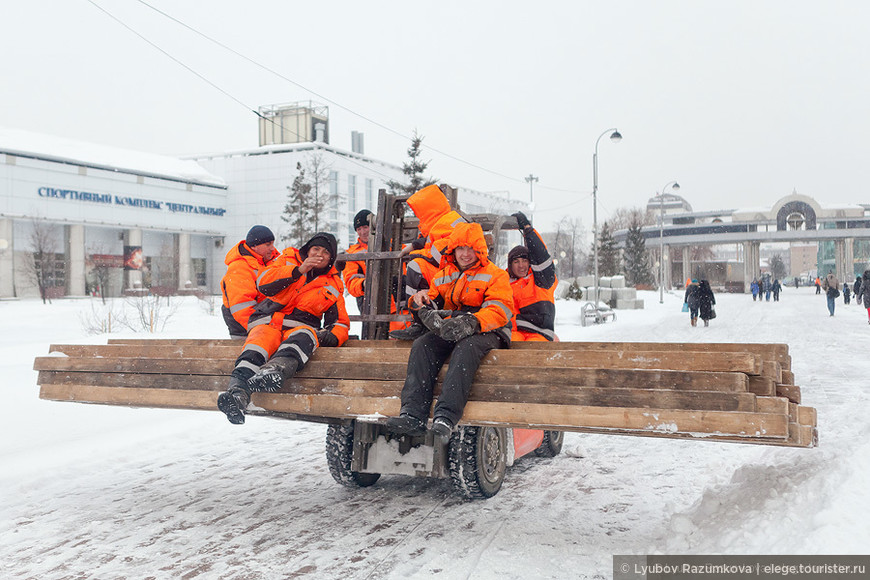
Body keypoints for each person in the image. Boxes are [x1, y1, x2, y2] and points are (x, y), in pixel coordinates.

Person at [385, 222, 513, 442]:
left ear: (480, 250)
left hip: (488, 328)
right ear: (453, 249)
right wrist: (422, 306)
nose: (465, 254)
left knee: (467, 348)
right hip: (454, 326)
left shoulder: (495, 274)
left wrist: (472, 323)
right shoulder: (445, 274)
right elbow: (434, 299)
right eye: (460, 248)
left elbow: (500, 310)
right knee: (423, 345)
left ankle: (446, 416)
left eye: (470, 248)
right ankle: (413, 414)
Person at [217, 232, 350, 424]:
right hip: (268, 320)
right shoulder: (288, 258)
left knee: (303, 337)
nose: (319, 254)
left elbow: (340, 322)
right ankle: (237, 394)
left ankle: (274, 371)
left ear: (331, 258)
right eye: (316, 249)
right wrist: (298, 271)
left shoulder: (334, 284)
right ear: (307, 250)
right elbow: (264, 283)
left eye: (325, 252)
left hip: (301, 327)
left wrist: (332, 336)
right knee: (257, 345)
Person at [390, 184, 467, 340]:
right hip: (446, 272)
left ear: (428, 210)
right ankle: (421, 320)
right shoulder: (443, 221)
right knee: (415, 266)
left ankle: (420, 321)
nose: (419, 218)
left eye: (419, 213)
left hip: (455, 274)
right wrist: (413, 246)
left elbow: (439, 254)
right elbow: (430, 243)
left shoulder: (447, 223)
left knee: (415, 266)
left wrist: (414, 252)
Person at [220, 225, 280, 339]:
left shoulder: (269, 264)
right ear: (254, 246)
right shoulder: (239, 267)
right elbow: (242, 308)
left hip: (264, 323)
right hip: (245, 330)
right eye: (268, 244)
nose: (272, 248)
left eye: (272, 243)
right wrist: (261, 330)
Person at [506, 211, 557, 341]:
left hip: (539, 333)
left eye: (524, 261)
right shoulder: (504, 283)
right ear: (510, 265)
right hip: (514, 332)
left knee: (530, 352)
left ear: (530, 263)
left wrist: (528, 230)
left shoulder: (540, 280)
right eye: (516, 262)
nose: (521, 265)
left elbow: (540, 255)